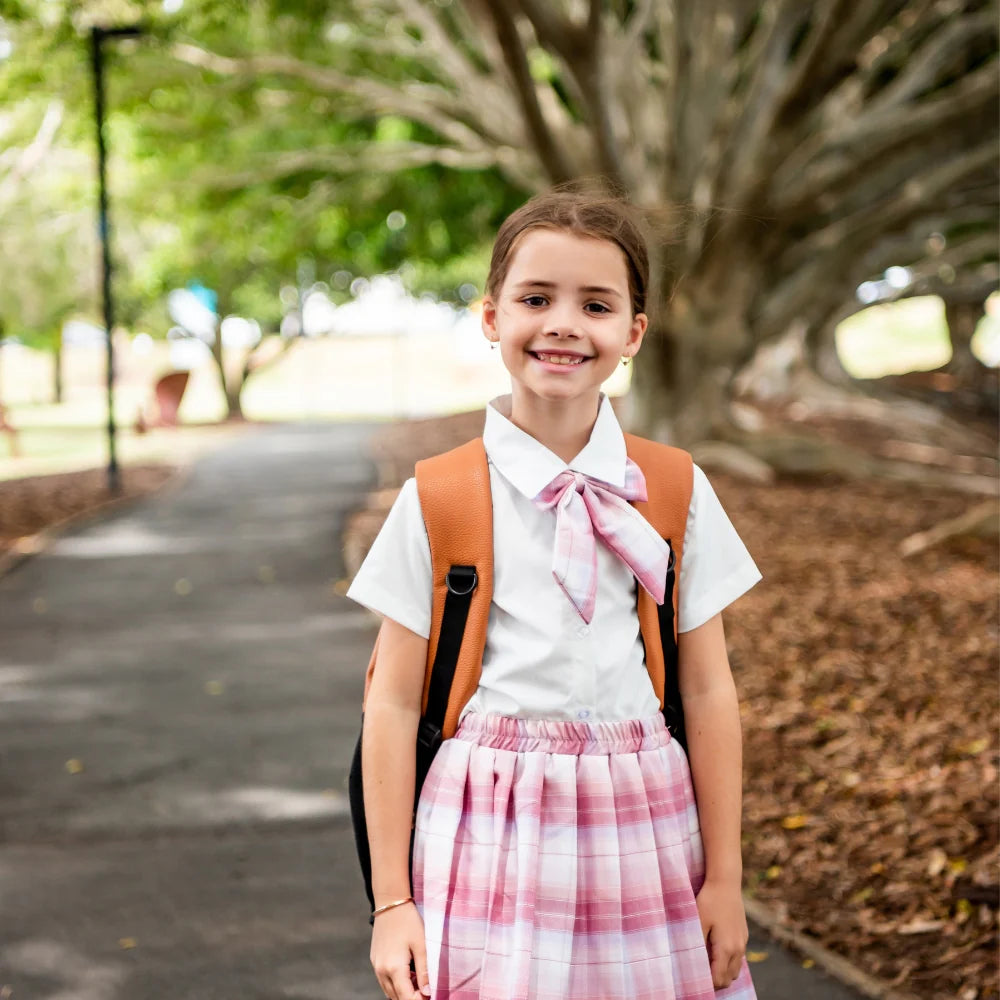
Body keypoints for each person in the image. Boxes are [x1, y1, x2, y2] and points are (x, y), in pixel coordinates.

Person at [347, 187, 762, 1000]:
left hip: (645, 828)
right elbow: (391, 705)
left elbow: (709, 690)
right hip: (485, 836)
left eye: (596, 304)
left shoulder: (674, 488)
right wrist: (391, 901)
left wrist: (725, 878)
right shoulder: (440, 497)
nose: (565, 323)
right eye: (537, 298)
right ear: (492, 316)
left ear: (632, 333)